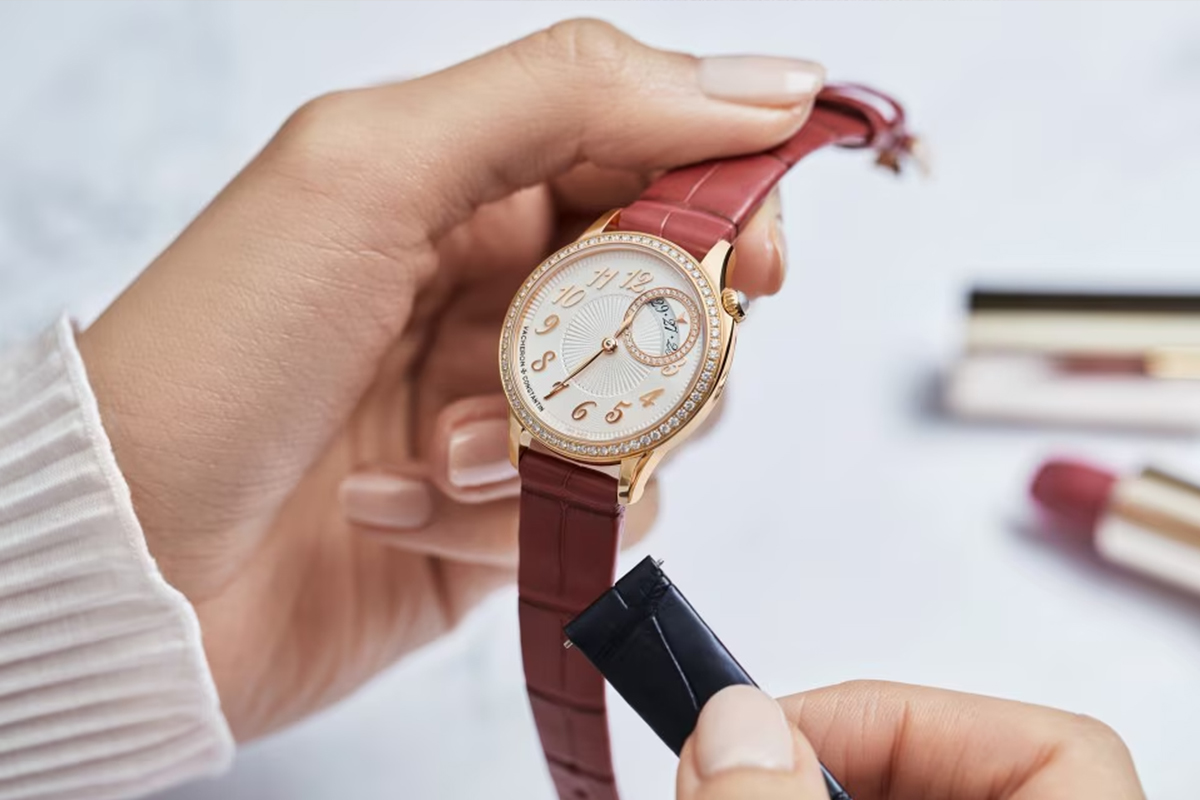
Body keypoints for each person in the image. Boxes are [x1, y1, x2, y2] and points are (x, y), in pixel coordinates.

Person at [0, 18, 1145, 800]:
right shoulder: (582, 289)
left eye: (659, 341)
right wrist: (103, 603)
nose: (604, 338)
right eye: (591, 318)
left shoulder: (681, 314)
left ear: (709, 348)